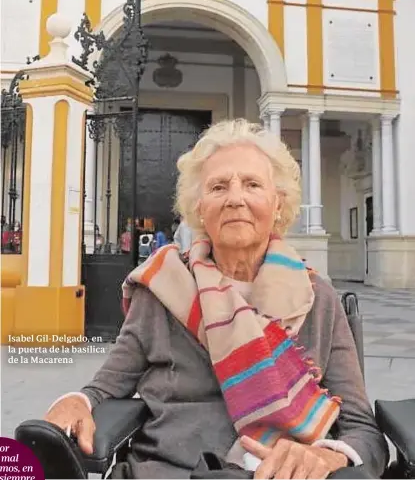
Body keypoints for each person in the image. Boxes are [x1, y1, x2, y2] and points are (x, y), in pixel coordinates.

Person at [44, 119, 388, 479]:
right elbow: (103, 387)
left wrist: (329, 457)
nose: (235, 198)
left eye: (252, 184)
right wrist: (74, 402)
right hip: (170, 470)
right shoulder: (162, 287)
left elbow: (364, 432)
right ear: (200, 208)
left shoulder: (317, 298)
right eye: (218, 186)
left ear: (277, 205)